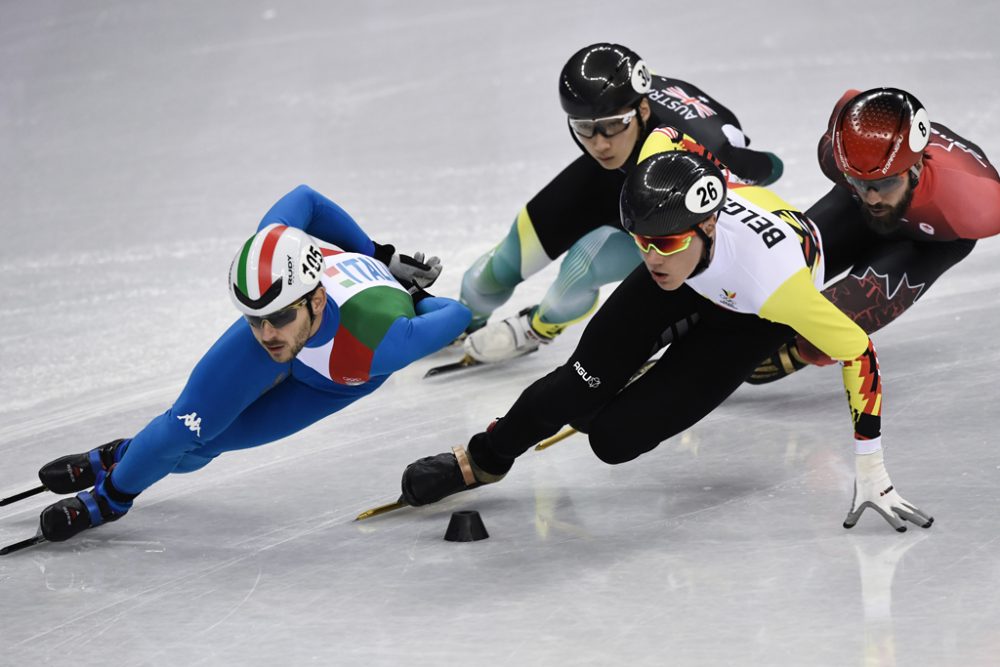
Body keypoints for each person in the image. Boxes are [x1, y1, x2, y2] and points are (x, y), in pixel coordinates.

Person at [399, 142, 933, 533]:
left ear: (705, 227)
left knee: (610, 439)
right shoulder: (666, 237)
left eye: (666, 242)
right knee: (576, 387)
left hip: (750, 317)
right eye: (642, 242)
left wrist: (871, 468)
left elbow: (858, 351)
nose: (651, 256)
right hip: (694, 275)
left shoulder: (777, 286)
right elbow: (671, 139)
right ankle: (485, 459)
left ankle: (645, 374)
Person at [34, 185, 471, 543]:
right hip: (332, 340)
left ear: (316, 299)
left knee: (202, 450)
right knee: (183, 429)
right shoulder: (273, 252)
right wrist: (376, 250)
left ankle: (126, 455)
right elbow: (308, 199)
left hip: (336, 376)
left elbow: (457, 314)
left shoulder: (387, 343)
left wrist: (413, 294)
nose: (267, 335)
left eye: (279, 318)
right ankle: (110, 497)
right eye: (254, 318)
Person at [459, 42, 783, 364]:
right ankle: (462, 322)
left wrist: (740, 170)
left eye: (613, 125)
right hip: (614, 176)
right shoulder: (618, 112)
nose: (599, 144)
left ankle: (536, 328)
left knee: (582, 266)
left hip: (669, 198)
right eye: (584, 129)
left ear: (642, 111)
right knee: (488, 275)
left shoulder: (698, 145)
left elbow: (771, 167)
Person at [749, 87, 1000, 382]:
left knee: (823, 331)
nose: (873, 198)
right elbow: (851, 99)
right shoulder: (834, 154)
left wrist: (805, 350)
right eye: (859, 180)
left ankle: (803, 349)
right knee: (767, 266)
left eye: (886, 183)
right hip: (851, 210)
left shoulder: (978, 204)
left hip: (929, 244)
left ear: (917, 167)